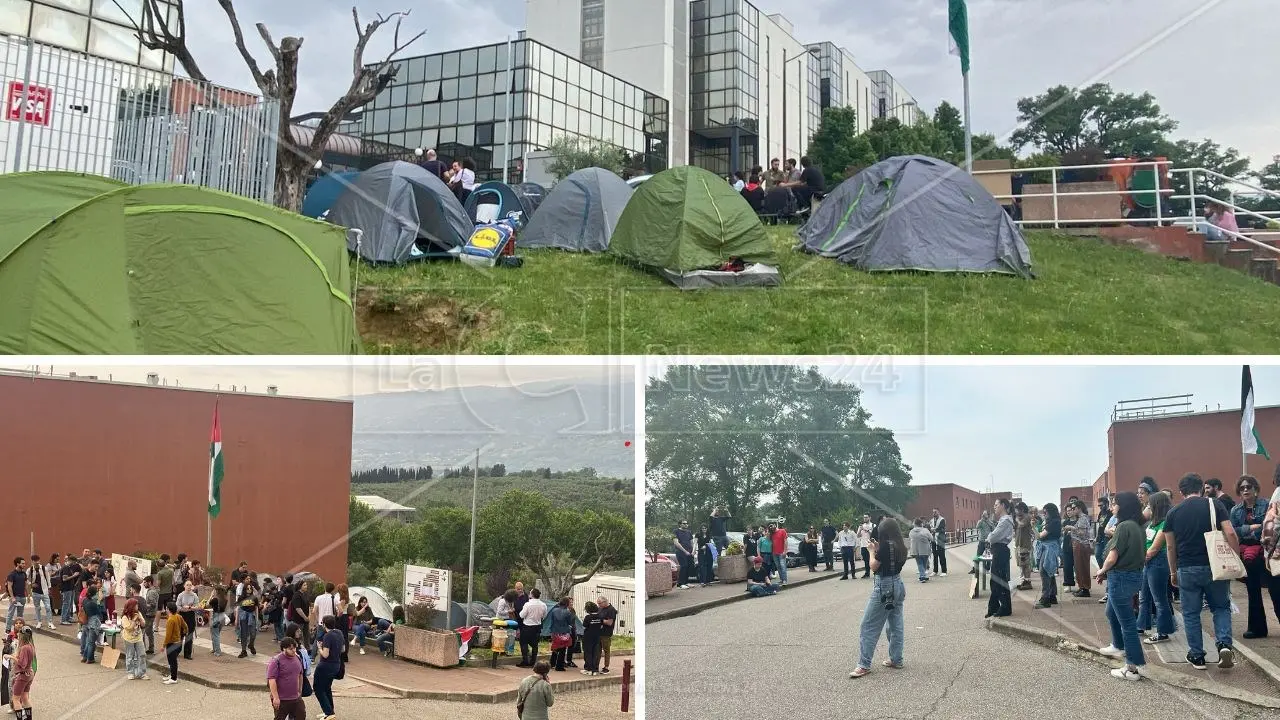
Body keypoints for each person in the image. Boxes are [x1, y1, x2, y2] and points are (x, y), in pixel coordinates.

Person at [1165, 472, 1238, 669]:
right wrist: (1236, 558)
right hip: (1215, 566)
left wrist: (1173, 572)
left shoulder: (1173, 513)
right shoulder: (1215, 504)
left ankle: (1197, 656)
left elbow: (1170, 547)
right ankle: (1224, 644)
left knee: (1191, 613)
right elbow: (1230, 532)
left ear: (1181, 492)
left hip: (1186, 567)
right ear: (1201, 488)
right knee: (1221, 607)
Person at [1096, 492, 1148, 681]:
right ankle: (1118, 645)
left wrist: (1102, 571)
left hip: (1121, 578)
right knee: (1111, 612)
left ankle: (1132, 668)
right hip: (1132, 577)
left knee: (1127, 624)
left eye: (1114, 504)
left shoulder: (1124, 526)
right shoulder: (1137, 526)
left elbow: (1112, 556)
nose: (1111, 507)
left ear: (1123, 506)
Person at [848, 517, 908, 678]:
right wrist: (877, 549)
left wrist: (870, 551)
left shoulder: (885, 547)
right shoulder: (901, 546)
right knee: (895, 624)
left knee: (868, 625)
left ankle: (864, 664)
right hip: (898, 584)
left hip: (884, 586)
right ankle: (896, 658)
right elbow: (890, 559)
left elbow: (874, 565)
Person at [1232, 475, 1279, 639]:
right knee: (1253, 592)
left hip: (1266, 553)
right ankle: (1257, 629)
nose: (1245, 490)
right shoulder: (1235, 510)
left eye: (1249, 487)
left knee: (1275, 590)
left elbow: (1270, 526)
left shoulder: (1266, 504)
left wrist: (1252, 530)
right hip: (1248, 556)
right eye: (1242, 487)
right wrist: (1250, 528)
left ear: (1256, 490)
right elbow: (1234, 531)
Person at [1138, 490, 1176, 644]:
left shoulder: (1165, 523)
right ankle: (1141, 625)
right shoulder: (1154, 522)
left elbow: (1155, 548)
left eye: (1150, 505)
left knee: (1159, 599)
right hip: (1149, 562)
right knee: (1144, 597)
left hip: (1158, 562)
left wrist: (1141, 559)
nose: (1148, 507)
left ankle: (1163, 632)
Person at [985, 498, 1015, 618]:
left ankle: (1005, 607)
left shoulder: (1006, 520)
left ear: (1003, 505)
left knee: (999, 580)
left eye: (996, 504)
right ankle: (994, 606)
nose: (994, 506)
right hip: (998, 550)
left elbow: (992, 537)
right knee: (995, 580)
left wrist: (989, 537)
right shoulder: (1003, 520)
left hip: (1001, 550)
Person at [312, 615, 344, 720]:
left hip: (325, 665)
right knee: (327, 688)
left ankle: (329, 712)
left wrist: (319, 647)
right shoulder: (339, 633)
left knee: (318, 689)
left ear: (324, 624)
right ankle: (329, 711)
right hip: (336, 665)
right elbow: (343, 649)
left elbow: (325, 654)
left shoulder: (327, 636)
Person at [268, 637, 307, 720]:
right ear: (283, 649)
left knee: (301, 715)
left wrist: (299, 691)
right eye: (291, 649)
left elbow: (300, 675)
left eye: (295, 648)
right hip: (282, 699)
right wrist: (276, 697)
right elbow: (272, 680)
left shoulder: (298, 658)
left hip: (296, 698)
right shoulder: (276, 661)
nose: (294, 650)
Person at [1034, 503, 1062, 609]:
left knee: (1044, 571)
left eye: (1045, 512)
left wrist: (1033, 527)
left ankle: (1045, 598)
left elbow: (1040, 536)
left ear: (1050, 511)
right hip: (1049, 547)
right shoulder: (1052, 521)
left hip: (1049, 548)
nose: (1044, 514)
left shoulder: (1054, 522)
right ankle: (1052, 596)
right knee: (1049, 570)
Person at [5, 626, 34, 719]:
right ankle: (29, 718)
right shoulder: (30, 646)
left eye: (19, 634)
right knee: (25, 697)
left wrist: (11, 657)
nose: (17, 634)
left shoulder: (24, 648)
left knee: (16, 699)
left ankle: (20, 718)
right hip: (29, 673)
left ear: (22, 636)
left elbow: (22, 664)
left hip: (22, 675)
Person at [119, 597, 149, 680]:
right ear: (131, 606)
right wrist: (134, 620)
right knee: (130, 656)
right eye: (136, 605)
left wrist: (140, 619)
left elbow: (143, 624)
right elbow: (129, 628)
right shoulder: (125, 617)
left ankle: (142, 673)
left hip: (138, 637)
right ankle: (131, 672)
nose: (137, 607)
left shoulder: (138, 613)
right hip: (129, 638)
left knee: (142, 654)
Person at [518, 588, 548, 667]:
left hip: (527, 626)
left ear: (531, 595)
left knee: (524, 643)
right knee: (535, 645)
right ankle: (533, 661)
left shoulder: (528, 604)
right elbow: (544, 615)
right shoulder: (543, 605)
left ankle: (525, 661)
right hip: (537, 626)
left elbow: (521, 615)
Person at [79, 578, 104, 664]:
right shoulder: (93, 603)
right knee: (91, 642)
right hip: (93, 622)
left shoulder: (84, 600)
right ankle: (89, 658)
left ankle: (85, 657)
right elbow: (98, 613)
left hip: (86, 621)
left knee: (87, 641)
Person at [163, 601, 187, 684]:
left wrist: (163, 645)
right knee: (172, 660)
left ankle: (174, 678)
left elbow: (168, 635)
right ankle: (172, 675)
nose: (165, 609)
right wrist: (183, 634)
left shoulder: (170, 620)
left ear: (169, 610)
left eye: (166, 608)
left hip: (172, 643)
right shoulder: (178, 616)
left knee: (172, 661)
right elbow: (185, 626)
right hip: (178, 642)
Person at [546, 598, 574, 672]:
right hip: (564, 632)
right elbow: (569, 622)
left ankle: (552, 663)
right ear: (567, 604)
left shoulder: (554, 610)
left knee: (555, 647)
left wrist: (551, 631)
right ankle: (559, 666)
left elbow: (552, 621)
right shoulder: (568, 612)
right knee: (563, 649)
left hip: (555, 631)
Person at [27, 555, 52, 632]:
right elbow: (26, 579)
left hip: (44, 591)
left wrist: (49, 587)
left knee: (48, 607)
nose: (37, 562)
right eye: (35, 561)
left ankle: (50, 622)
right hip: (35, 592)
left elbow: (48, 578)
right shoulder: (30, 570)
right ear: (32, 561)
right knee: (37, 608)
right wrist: (31, 584)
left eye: (38, 560)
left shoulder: (44, 568)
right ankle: (39, 622)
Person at [175, 580, 199, 660]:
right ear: (184, 586)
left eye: (190, 585)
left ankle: (187, 653)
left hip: (191, 615)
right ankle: (177, 651)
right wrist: (183, 608)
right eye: (187, 585)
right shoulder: (181, 595)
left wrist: (189, 607)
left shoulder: (194, 595)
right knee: (180, 634)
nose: (189, 587)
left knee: (189, 635)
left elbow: (197, 606)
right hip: (182, 615)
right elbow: (177, 606)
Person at [579, 601, 604, 676]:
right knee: (595, 652)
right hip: (597, 636)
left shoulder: (588, 617)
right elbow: (601, 625)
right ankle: (594, 669)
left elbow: (584, 626)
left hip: (588, 637)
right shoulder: (600, 616)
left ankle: (588, 669)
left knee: (588, 652)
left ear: (588, 610)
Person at [1014, 502, 1034, 590]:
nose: (1016, 512)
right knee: (1022, 564)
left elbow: (1021, 525)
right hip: (1019, 544)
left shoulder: (1027, 517)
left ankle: (1028, 582)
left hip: (1025, 545)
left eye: (1017, 509)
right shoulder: (1021, 517)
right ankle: (1024, 581)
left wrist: (1016, 520)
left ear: (1022, 509)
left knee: (1025, 564)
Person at [596, 595, 617, 674]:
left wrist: (600, 620)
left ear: (605, 602)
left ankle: (606, 667)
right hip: (599, 632)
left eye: (600, 603)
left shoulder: (611, 610)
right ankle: (596, 665)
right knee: (597, 650)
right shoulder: (600, 608)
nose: (599, 605)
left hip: (606, 633)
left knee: (606, 650)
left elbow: (609, 622)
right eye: (598, 604)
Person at [5, 558, 27, 633]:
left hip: (22, 597)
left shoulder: (24, 574)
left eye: (24, 563)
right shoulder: (12, 574)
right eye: (22, 563)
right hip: (15, 597)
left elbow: (25, 585)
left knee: (20, 615)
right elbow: (9, 586)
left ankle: (19, 629)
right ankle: (8, 629)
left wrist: (28, 595)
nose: (24, 565)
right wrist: (12, 597)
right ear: (17, 564)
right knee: (10, 613)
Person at [672, 520, 695, 590]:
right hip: (681, 552)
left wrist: (693, 551)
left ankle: (686, 582)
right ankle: (680, 584)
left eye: (687, 523)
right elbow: (676, 543)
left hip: (689, 552)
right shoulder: (676, 531)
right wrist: (685, 551)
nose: (686, 524)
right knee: (683, 566)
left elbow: (692, 542)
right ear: (680, 524)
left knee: (688, 567)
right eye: (684, 523)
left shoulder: (689, 532)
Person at [908, 518, 933, 583]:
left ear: (915, 524)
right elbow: (931, 538)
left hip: (916, 550)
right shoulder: (925, 530)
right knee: (924, 564)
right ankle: (923, 576)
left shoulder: (911, 531)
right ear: (921, 524)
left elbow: (910, 538)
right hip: (925, 550)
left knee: (919, 563)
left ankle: (922, 576)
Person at [140, 575, 159, 655]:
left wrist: (144, 605)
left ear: (149, 582)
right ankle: (151, 648)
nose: (144, 584)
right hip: (150, 614)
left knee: (143, 632)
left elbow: (153, 604)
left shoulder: (151, 592)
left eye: (145, 582)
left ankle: (142, 649)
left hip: (149, 614)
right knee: (149, 632)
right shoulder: (152, 591)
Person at [208, 585, 227, 657]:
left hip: (216, 617)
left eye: (214, 590)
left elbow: (207, 605)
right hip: (222, 617)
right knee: (216, 633)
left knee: (215, 635)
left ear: (216, 591)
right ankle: (214, 649)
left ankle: (218, 651)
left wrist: (211, 596)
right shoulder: (225, 599)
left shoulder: (215, 599)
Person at [929, 509, 948, 577]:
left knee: (941, 555)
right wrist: (933, 530)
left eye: (935, 512)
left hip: (940, 540)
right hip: (934, 540)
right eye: (933, 512)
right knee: (935, 555)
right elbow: (929, 527)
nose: (934, 513)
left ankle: (944, 571)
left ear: (938, 512)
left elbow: (941, 528)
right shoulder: (931, 520)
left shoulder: (942, 520)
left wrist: (934, 530)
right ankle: (935, 570)